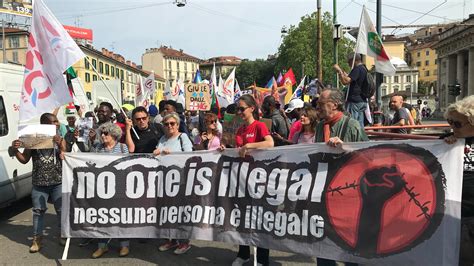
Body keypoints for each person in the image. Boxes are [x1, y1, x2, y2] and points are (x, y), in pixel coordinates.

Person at [314, 89, 367, 266]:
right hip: (325, 191)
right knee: (323, 241)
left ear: (334, 104)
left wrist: (345, 148)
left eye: (321, 104)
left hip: (348, 196)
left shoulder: (352, 125)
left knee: (348, 243)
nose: (317, 107)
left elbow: (367, 157)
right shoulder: (321, 126)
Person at [9, 113, 66, 253]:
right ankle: (37, 239)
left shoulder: (60, 138)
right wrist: (16, 150)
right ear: (44, 125)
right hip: (39, 183)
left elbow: (66, 155)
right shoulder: (33, 140)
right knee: (38, 211)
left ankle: (62, 234)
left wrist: (60, 144)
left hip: (57, 181)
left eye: (57, 121)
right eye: (53, 122)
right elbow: (24, 159)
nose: (57, 124)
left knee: (61, 210)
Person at [231, 94, 274, 266]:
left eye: (242, 108)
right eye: (237, 109)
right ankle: (243, 254)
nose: (239, 112)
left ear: (252, 108)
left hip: (258, 180)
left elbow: (270, 143)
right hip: (241, 179)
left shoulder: (259, 125)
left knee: (260, 219)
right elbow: (237, 150)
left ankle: (262, 258)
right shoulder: (240, 129)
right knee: (241, 218)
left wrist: (250, 145)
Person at [154, 113, 193, 254]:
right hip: (165, 180)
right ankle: (170, 239)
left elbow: (189, 156)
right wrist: (156, 153)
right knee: (167, 211)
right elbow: (157, 154)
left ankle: (184, 242)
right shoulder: (163, 138)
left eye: (172, 123)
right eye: (166, 124)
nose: (169, 126)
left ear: (177, 124)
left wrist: (173, 155)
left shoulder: (183, 137)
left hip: (180, 181)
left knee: (180, 212)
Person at [442, 95, 474, 265]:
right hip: (459, 215)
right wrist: (446, 146)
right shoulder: (449, 141)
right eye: (450, 122)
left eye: (458, 124)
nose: (452, 127)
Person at [90, 122, 130, 258]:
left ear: (114, 134)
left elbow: (128, 167)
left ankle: (124, 245)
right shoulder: (97, 148)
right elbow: (88, 163)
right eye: (101, 133)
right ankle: (102, 246)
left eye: (105, 133)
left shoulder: (123, 147)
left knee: (120, 217)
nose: (102, 135)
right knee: (102, 217)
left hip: (119, 189)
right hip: (101, 189)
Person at [333, 53, 368, 128]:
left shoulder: (357, 69)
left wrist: (339, 71)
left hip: (354, 100)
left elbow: (345, 81)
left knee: (352, 123)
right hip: (362, 100)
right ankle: (360, 138)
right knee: (360, 124)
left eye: (349, 61)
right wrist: (342, 71)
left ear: (354, 60)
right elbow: (350, 77)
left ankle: (353, 139)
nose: (348, 64)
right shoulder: (364, 69)